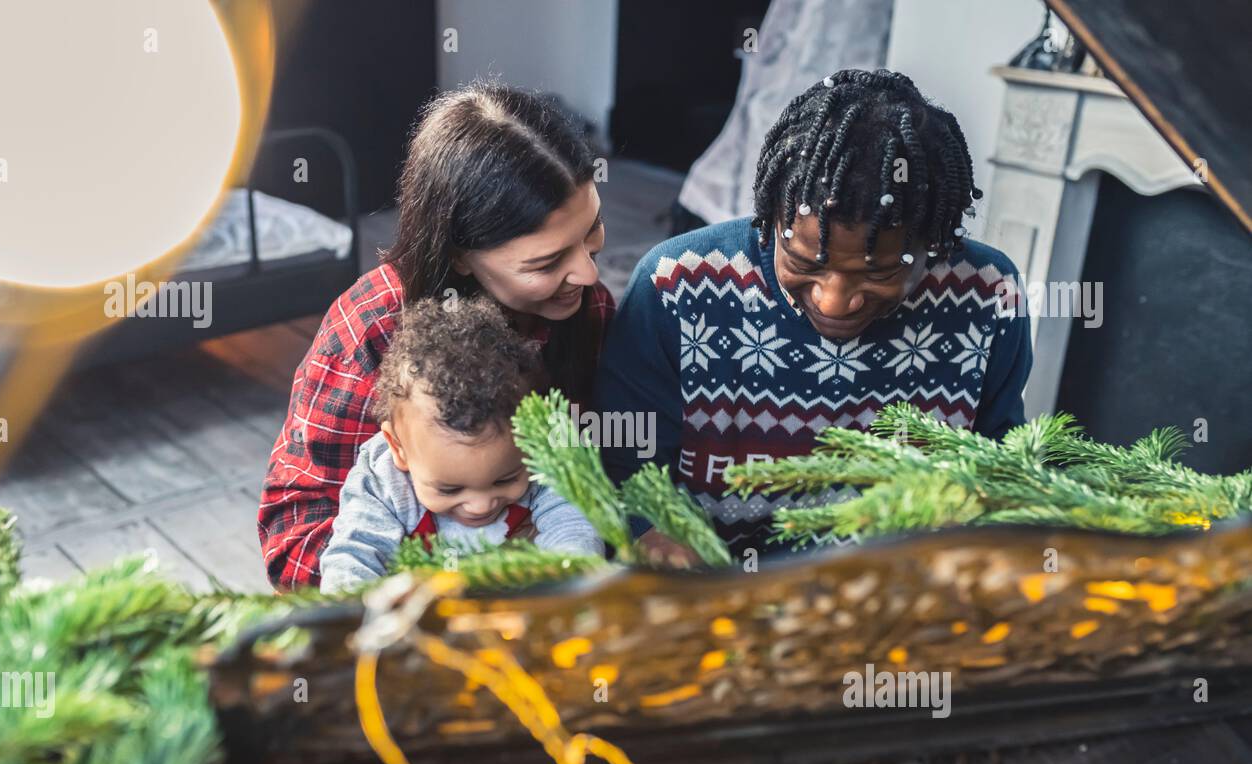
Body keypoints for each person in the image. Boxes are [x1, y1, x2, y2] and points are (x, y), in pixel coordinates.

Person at [595, 69, 1032, 562]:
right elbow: (625, 455)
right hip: (714, 588)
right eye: (804, 264)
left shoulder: (987, 292)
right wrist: (654, 531)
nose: (833, 301)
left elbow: (1000, 454)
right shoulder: (676, 284)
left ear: (936, 242)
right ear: (771, 216)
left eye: (880, 272)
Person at [259, 81, 610, 590]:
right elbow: (293, 534)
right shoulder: (372, 329)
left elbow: (600, 477)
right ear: (459, 255)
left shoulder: (585, 309)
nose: (589, 275)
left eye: (593, 230)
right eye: (547, 261)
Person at [319, 298, 603, 594]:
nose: (480, 505)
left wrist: (567, 589)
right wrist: (356, 617)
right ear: (398, 448)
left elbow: (574, 528)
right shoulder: (384, 481)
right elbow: (353, 558)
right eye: (450, 489)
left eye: (506, 479)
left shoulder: (547, 453)